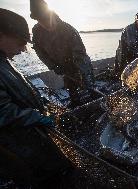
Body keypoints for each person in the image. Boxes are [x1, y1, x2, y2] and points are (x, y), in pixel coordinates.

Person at [0, 8, 74, 188]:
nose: (23, 49)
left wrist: (42, 101)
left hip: (29, 139)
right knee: (36, 179)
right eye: (20, 42)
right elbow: (3, 112)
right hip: (15, 149)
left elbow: (19, 90)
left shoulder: (4, 60)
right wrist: (37, 116)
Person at [30, 0, 98, 108]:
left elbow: (81, 56)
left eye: (46, 19)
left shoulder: (68, 30)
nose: (46, 24)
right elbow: (40, 52)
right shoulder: (36, 31)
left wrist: (86, 77)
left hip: (77, 61)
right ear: (37, 20)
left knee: (88, 83)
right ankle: (75, 101)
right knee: (70, 84)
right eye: (41, 21)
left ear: (51, 14)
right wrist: (52, 65)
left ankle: (94, 95)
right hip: (60, 64)